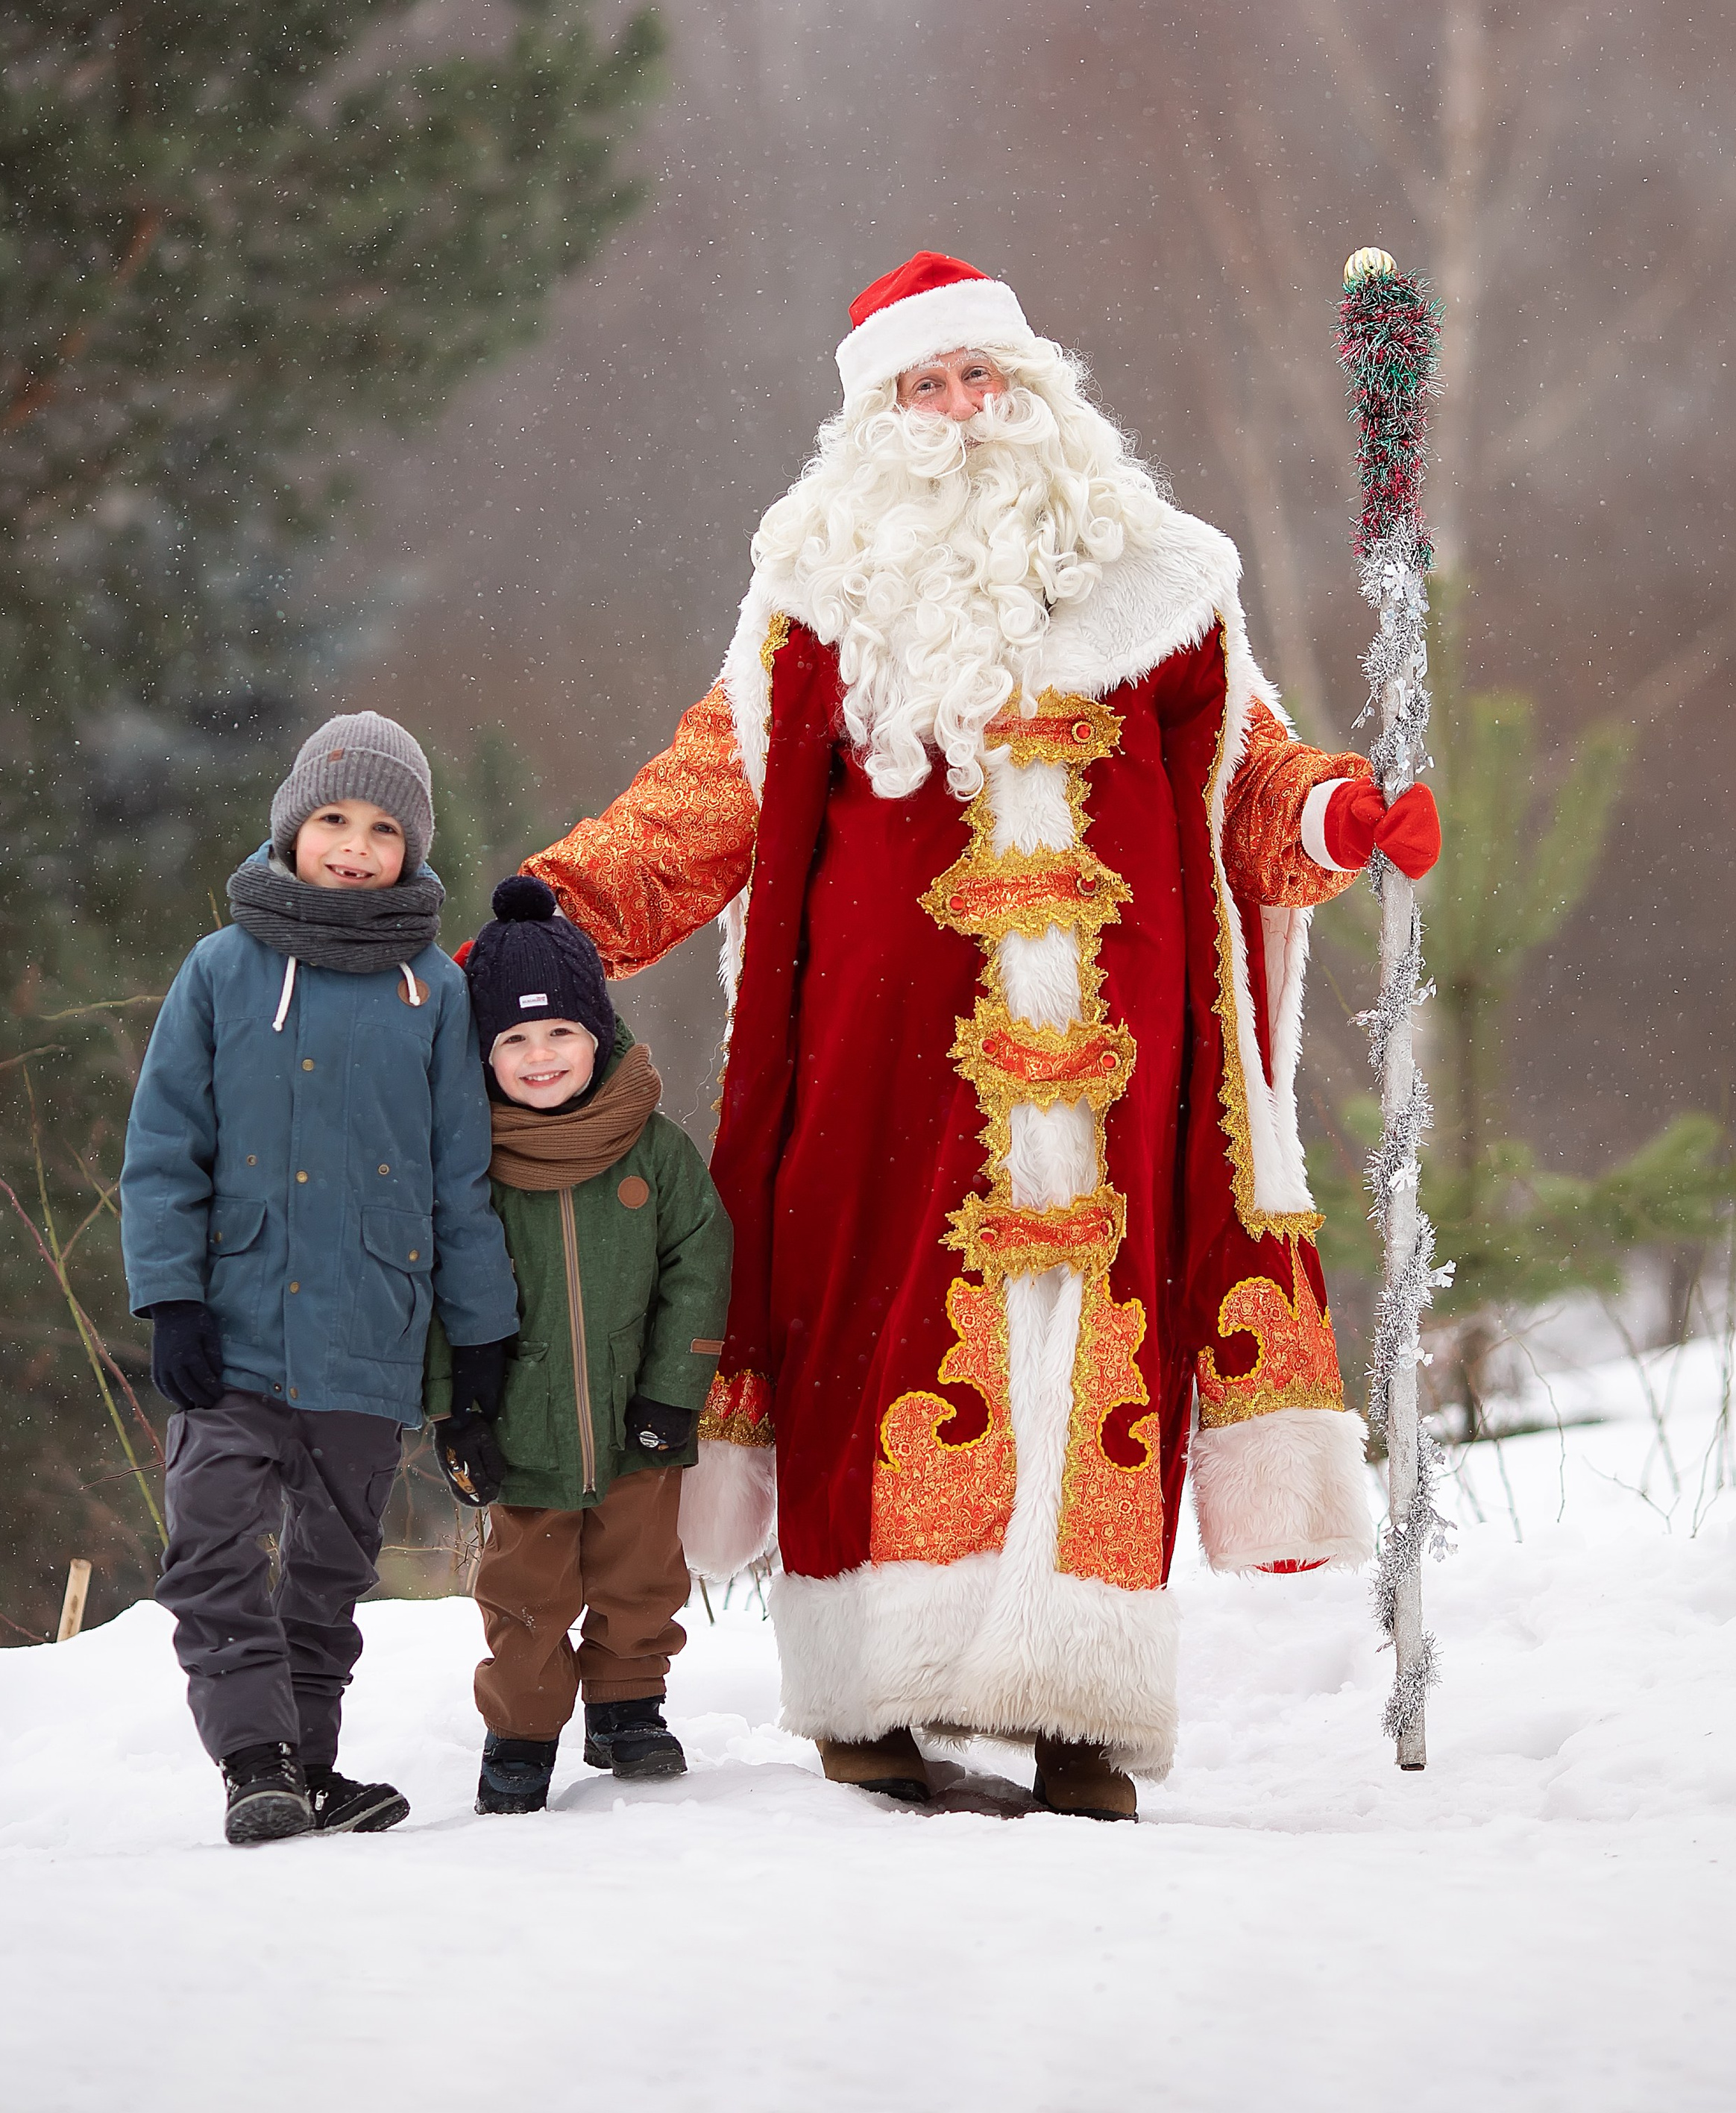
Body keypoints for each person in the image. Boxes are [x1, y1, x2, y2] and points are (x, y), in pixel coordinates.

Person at [521, 252, 1442, 1821]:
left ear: (1036, 395)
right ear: (875, 418)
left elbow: (1247, 783)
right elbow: (708, 793)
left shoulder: (1161, 583)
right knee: (880, 1335)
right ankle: (877, 1694)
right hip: (881, 1069)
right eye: (926, 387)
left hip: (1115, 1060)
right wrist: (550, 910)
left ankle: (1080, 1710)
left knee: (1099, 1345)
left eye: (983, 379)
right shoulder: (814, 595)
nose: (962, 411)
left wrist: (1341, 814)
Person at [121, 713, 516, 1846]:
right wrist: (171, 1297)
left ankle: (306, 1763)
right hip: (233, 1328)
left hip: (368, 1336)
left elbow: (460, 1181)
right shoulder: (222, 970)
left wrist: (478, 1353)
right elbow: (163, 1148)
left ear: (414, 848)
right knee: (210, 1545)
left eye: (385, 828)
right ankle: (255, 1761)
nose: (355, 845)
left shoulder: (434, 992)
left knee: (329, 1572)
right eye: (335, 819)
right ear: (293, 826)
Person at [427, 875, 732, 1816]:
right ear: (484, 1056)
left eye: (560, 1032)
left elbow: (699, 1261)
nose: (540, 1056)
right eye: (513, 1040)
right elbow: (439, 1295)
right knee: (524, 1587)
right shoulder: (469, 1165)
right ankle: (521, 1730)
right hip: (524, 1428)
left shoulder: (652, 1150)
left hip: (639, 1413)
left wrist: (673, 1393)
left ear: (598, 1034)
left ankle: (628, 1706)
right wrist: (456, 1411)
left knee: (642, 1573)